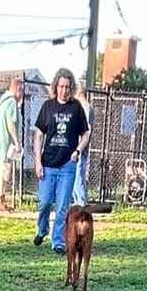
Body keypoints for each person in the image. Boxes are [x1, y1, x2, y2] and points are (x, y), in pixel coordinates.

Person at [33, 68, 90, 251]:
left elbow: (86, 132)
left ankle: (58, 241)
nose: (64, 90)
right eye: (61, 86)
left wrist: (78, 151)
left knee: (62, 207)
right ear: (56, 86)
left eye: (67, 87)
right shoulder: (47, 107)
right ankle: (42, 230)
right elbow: (39, 135)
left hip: (67, 165)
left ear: (71, 88)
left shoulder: (76, 108)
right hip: (48, 164)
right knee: (44, 202)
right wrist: (37, 162)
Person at [0, 74, 23, 211]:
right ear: (17, 88)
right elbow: (11, 123)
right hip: (4, 143)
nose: (22, 93)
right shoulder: (11, 102)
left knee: (1, 172)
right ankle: (0, 201)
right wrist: (17, 142)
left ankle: (0, 199)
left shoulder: (3, 101)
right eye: (21, 90)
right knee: (2, 173)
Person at [70, 80, 93, 204]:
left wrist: (79, 148)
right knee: (76, 178)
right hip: (78, 149)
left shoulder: (85, 108)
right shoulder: (83, 107)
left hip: (80, 149)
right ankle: (78, 204)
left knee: (79, 178)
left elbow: (86, 130)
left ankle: (82, 205)